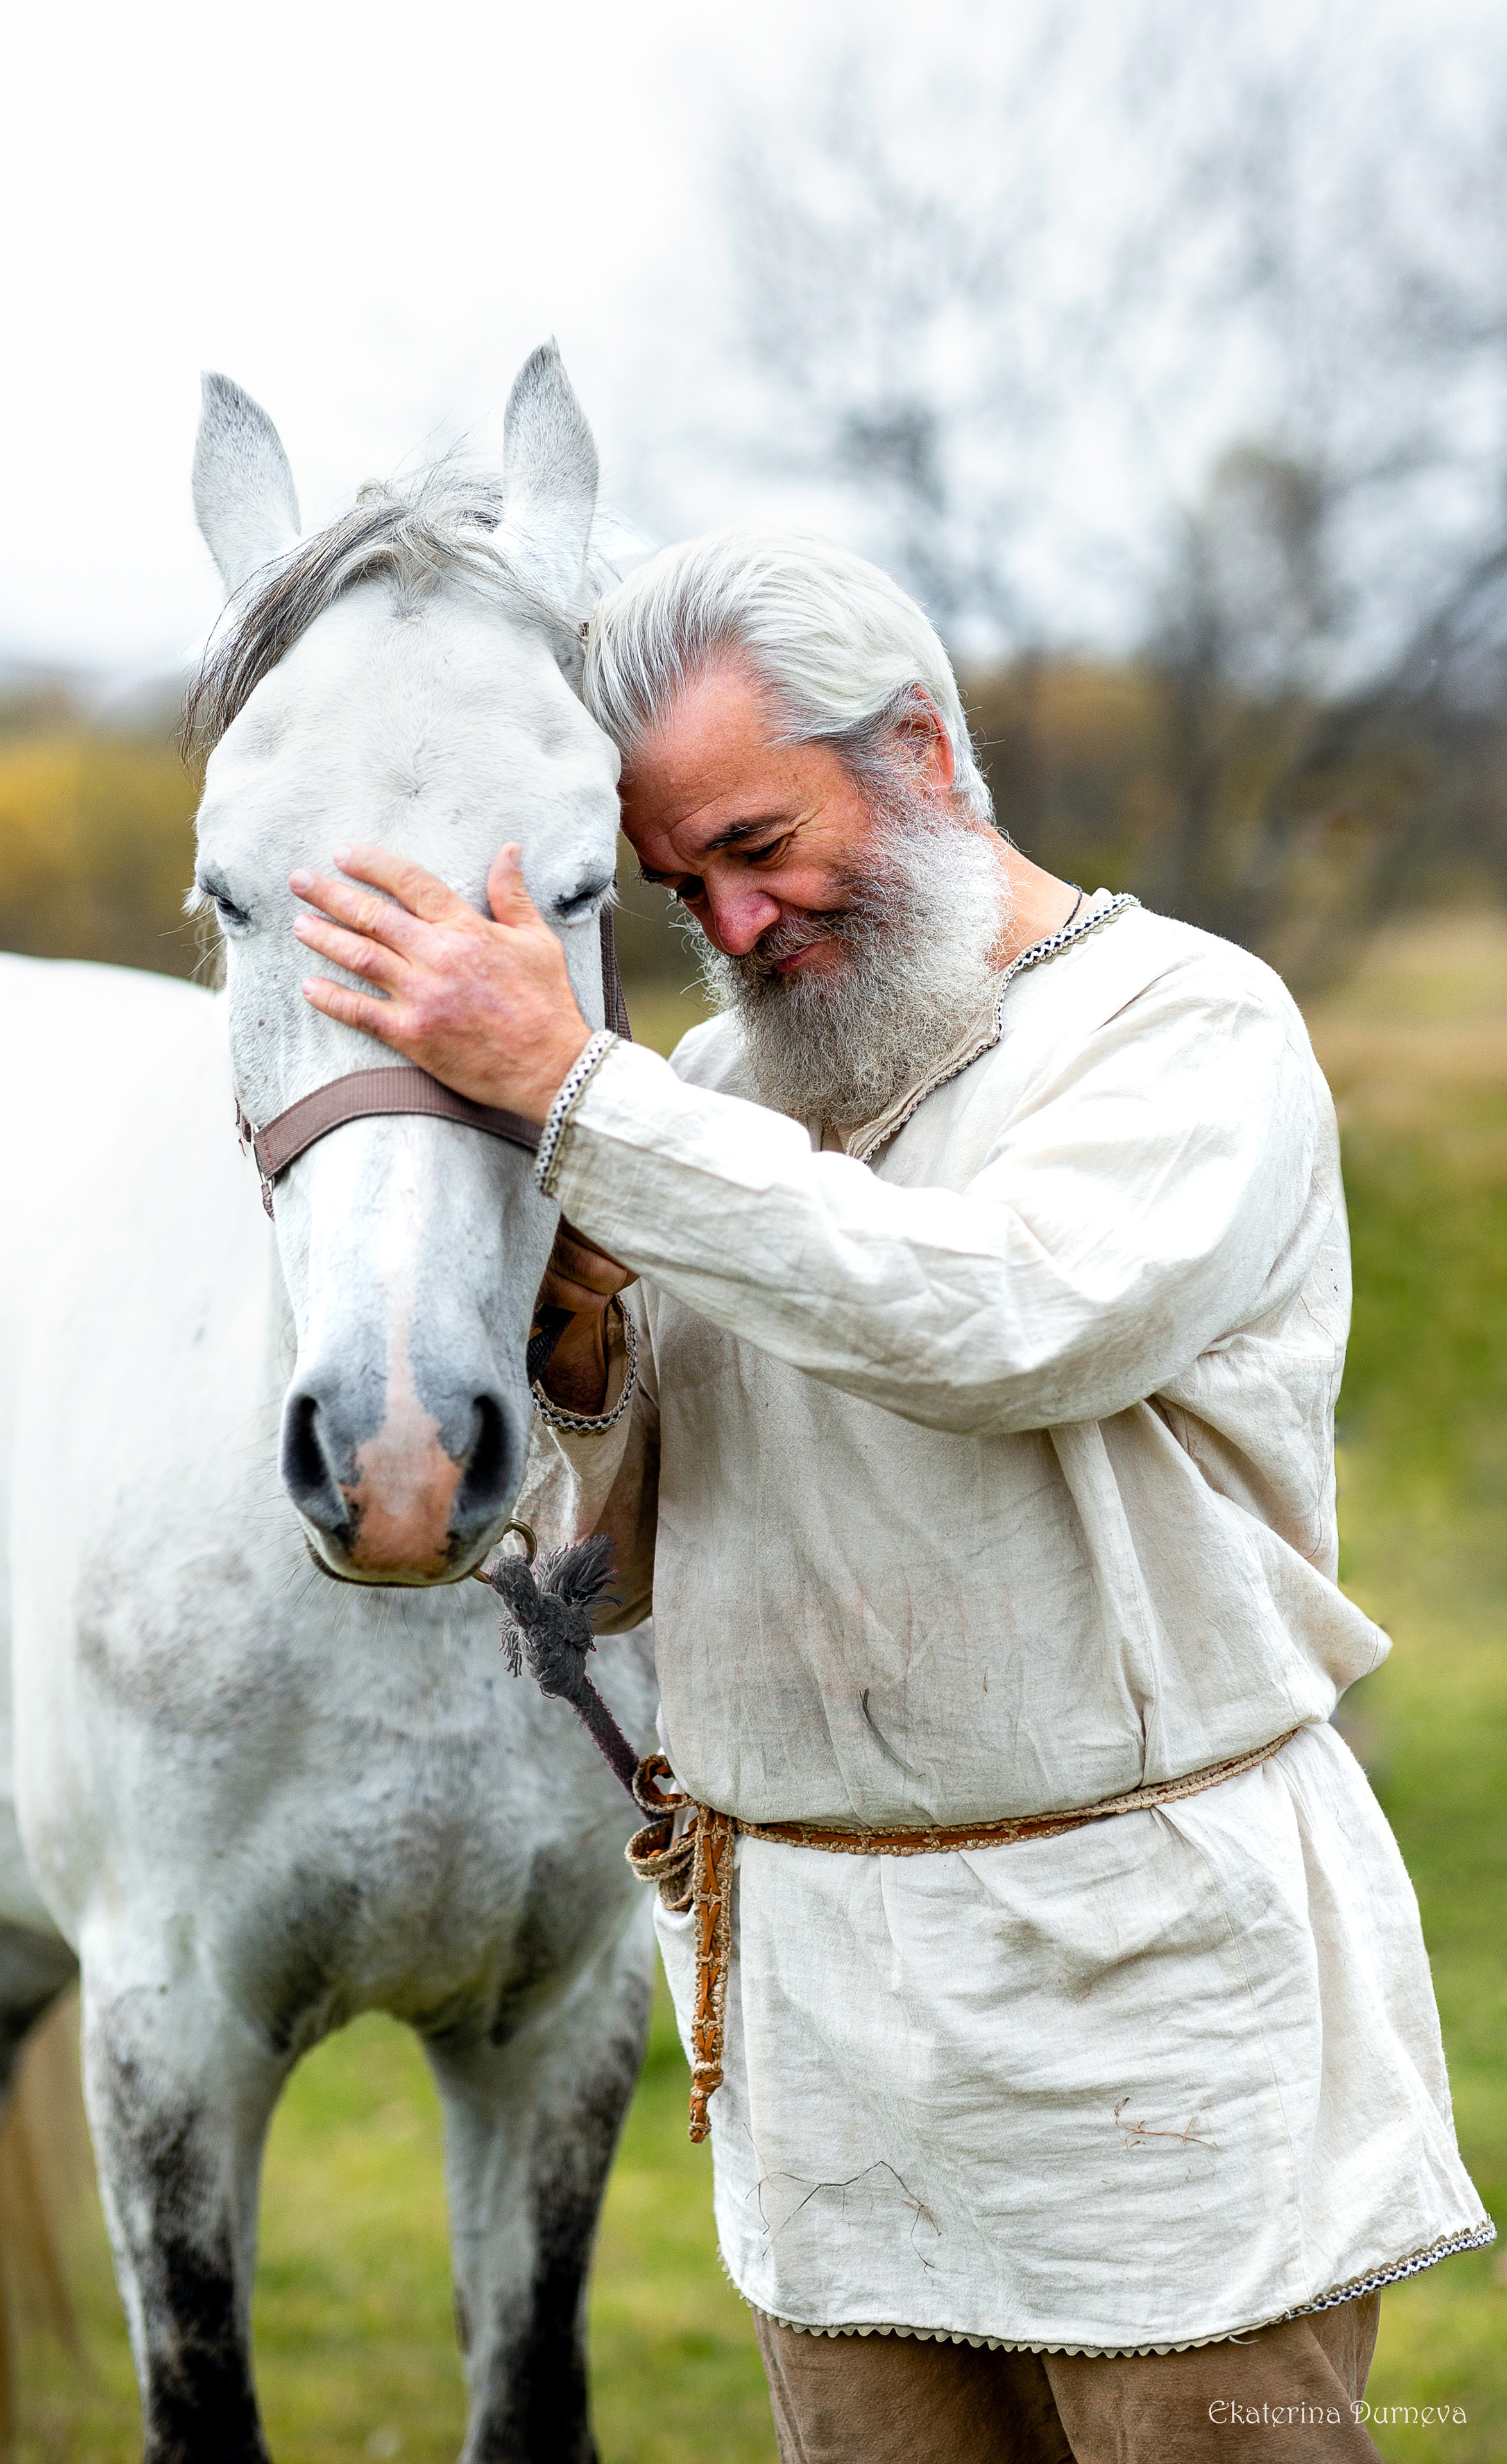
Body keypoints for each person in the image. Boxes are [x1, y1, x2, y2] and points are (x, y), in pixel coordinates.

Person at [287, 530, 1492, 2461]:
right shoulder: (716, 1093)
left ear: (923, 748)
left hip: (1150, 2011)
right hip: (831, 2040)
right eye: (683, 886)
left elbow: (1005, 1322)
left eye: (760, 844)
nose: (738, 925)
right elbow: (599, 1575)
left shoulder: (1186, 1027)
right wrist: (588, 1365)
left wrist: (587, 1103)